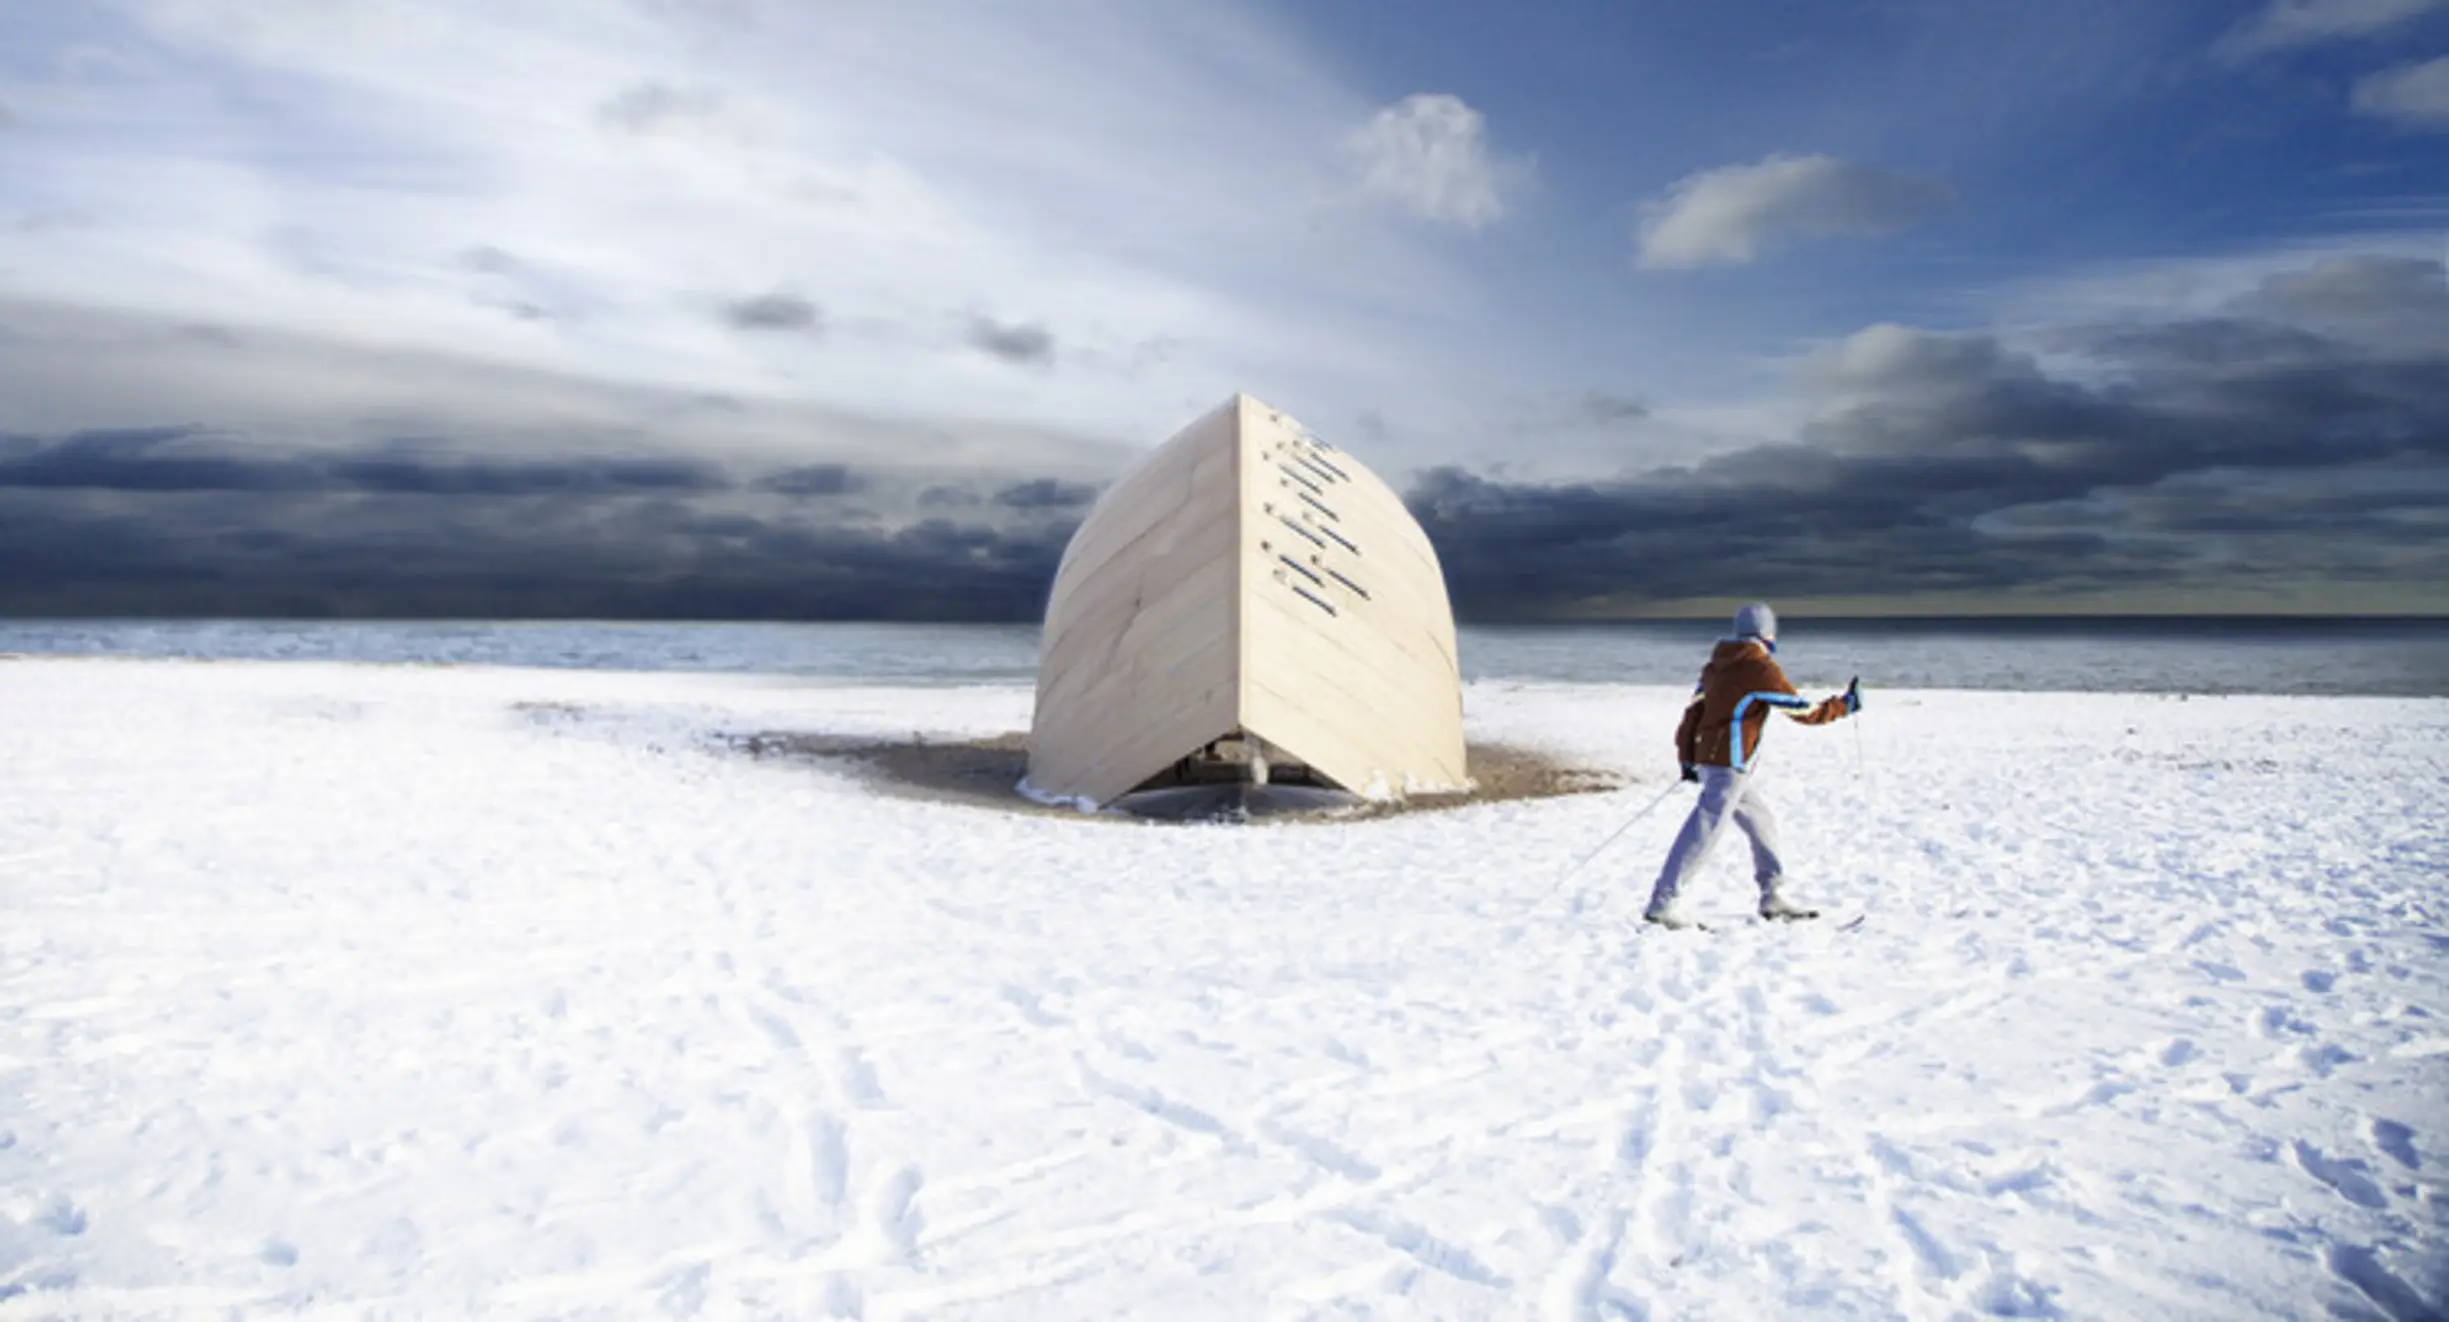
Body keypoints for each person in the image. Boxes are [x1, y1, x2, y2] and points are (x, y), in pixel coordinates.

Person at [1643, 603, 1860, 929]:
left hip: (1714, 760)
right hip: (1729, 763)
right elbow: (1803, 711)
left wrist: (1688, 757)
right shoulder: (1759, 668)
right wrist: (1844, 705)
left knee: (1761, 821)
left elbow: (1693, 715)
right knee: (1706, 827)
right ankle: (1664, 902)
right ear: (1767, 634)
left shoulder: (1716, 665)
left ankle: (1773, 894)